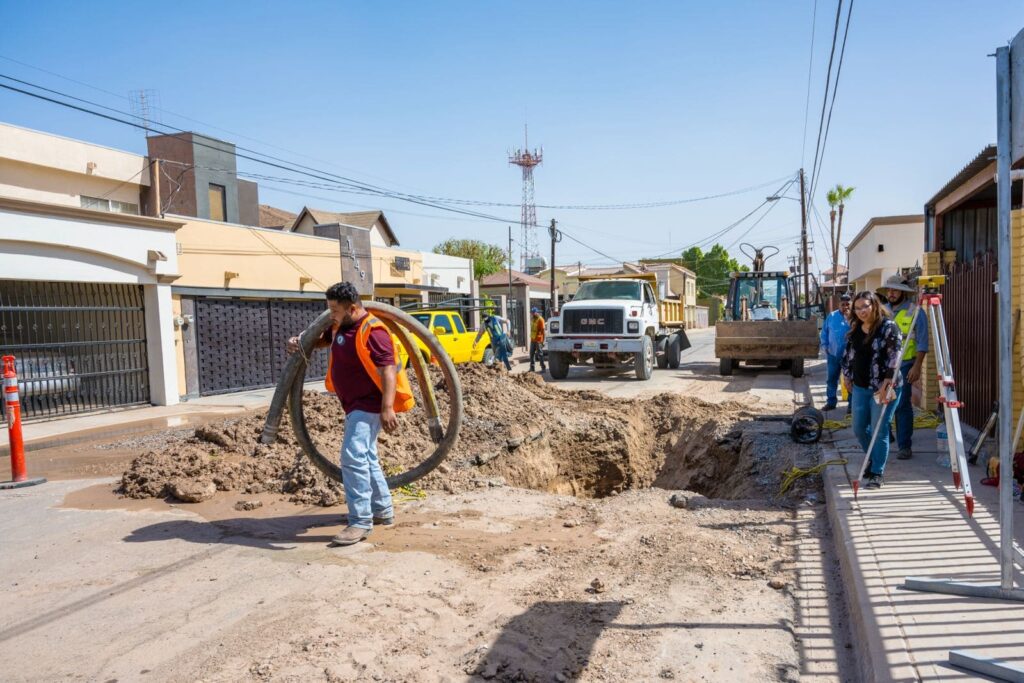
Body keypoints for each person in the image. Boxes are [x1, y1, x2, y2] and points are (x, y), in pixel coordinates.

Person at [286, 282, 415, 546]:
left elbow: (388, 371)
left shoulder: (374, 331)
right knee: (366, 457)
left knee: (353, 456)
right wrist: (301, 341)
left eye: (334, 308)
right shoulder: (340, 327)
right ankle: (382, 510)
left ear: (352, 307)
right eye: (329, 308)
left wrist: (387, 407)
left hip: (368, 405)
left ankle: (360, 522)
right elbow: (322, 339)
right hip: (353, 404)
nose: (330, 313)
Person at [841, 291, 904, 490]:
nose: (861, 311)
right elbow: (848, 355)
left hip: (884, 387)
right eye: (857, 308)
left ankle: (877, 471)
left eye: (865, 306)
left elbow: (895, 356)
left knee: (879, 429)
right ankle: (872, 457)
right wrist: (847, 376)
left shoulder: (888, 327)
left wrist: (887, 381)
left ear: (874, 305)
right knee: (859, 428)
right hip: (860, 387)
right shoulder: (855, 329)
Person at [878, 275, 929, 460]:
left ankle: (904, 446)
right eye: (889, 290)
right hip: (884, 366)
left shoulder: (915, 312)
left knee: (901, 405)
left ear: (903, 292)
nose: (891, 294)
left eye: (895, 290)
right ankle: (887, 434)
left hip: (906, 365)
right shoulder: (883, 311)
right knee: (882, 401)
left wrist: (917, 366)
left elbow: (923, 342)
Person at [819, 293, 852, 411]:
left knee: (850, 380)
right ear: (839, 305)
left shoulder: (855, 317)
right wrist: (825, 346)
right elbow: (824, 332)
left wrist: (850, 319)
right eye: (843, 304)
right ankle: (831, 402)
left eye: (848, 304)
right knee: (832, 379)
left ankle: (851, 405)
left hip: (850, 356)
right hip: (833, 354)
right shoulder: (832, 316)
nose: (845, 307)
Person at [529, 307, 547, 373]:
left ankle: (543, 368)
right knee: (531, 354)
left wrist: (543, 341)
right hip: (533, 339)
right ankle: (532, 368)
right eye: (531, 313)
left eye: (533, 313)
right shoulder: (533, 319)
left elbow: (543, 331)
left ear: (536, 312)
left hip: (539, 340)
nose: (532, 314)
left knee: (540, 354)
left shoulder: (541, 320)